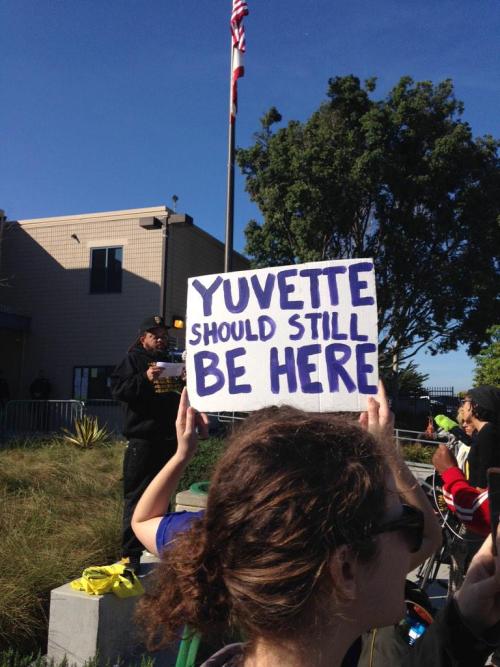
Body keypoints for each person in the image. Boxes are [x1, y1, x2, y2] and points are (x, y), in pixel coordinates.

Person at [132, 386, 500, 666]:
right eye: (403, 520)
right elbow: (432, 536)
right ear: (344, 569)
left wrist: (182, 454)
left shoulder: (240, 538)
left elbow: (144, 520)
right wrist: (388, 452)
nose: (414, 538)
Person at [110, 314, 181, 572]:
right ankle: (130, 555)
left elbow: (175, 396)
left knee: (163, 495)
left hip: (168, 439)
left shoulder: (171, 360)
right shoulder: (133, 360)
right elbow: (118, 390)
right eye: (155, 335)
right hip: (143, 440)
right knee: (137, 497)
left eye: (163, 335)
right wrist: (145, 378)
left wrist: (183, 378)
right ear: (143, 338)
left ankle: (159, 544)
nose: (161, 339)